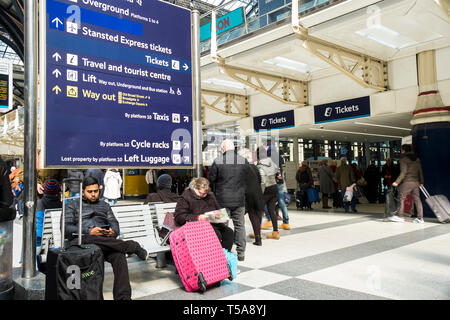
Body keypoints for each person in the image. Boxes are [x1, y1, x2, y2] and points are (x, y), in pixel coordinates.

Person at [64, 176, 149, 300]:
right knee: (90, 237)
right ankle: (132, 246)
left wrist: (112, 232)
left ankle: (123, 297)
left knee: (119, 256)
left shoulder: (104, 205)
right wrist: (88, 231)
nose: (93, 194)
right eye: (90, 192)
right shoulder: (72, 205)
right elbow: (66, 228)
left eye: (96, 191)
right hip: (81, 243)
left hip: (104, 244)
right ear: (83, 192)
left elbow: (114, 222)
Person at [208, 139, 248, 261]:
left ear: (224, 148)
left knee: (222, 226)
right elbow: (247, 178)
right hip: (239, 200)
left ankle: (224, 251)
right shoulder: (243, 161)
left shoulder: (218, 161)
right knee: (240, 225)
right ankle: (241, 253)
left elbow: (211, 179)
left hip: (222, 201)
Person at [174, 177, 234, 251]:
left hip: (212, 224)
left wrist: (219, 214)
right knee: (215, 234)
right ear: (195, 188)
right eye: (201, 193)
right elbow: (179, 216)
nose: (204, 196)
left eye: (206, 193)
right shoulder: (185, 197)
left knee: (229, 232)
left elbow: (218, 209)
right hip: (195, 226)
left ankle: (224, 256)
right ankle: (213, 258)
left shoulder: (210, 195)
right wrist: (198, 217)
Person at [389, 144, 424, 223]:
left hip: (408, 181)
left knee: (400, 197)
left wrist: (397, 182)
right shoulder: (417, 159)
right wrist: (421, 182)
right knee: (417, 199)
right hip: (416, 182)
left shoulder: (404, 159)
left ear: (403, 150)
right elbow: (420, 171)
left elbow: (403, 172)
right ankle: (420, 218)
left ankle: (399, 216)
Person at [239, 149, 264, 246]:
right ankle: (258, 236)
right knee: (256, 215)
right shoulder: (255, 167)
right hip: (257, 193)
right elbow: (260, 180)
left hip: (246, 194)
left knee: (245, 215)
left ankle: (241, 238)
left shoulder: (241, 168)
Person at [35, 179, 62, 270]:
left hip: (41, 240)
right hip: (58, 240)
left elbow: (38, 228)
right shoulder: (61, 205)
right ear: (58, 192)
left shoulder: (39, 204)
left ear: (44, 191)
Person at [264, 145, 290, 230]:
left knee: (265, 201)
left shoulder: (268, 156)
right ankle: (286, 222)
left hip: (271, 182)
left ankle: (269, 221)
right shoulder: (279, 157)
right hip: (280, 181)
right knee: (281, 201)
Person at [257, 146, 280, 240]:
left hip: (266, 189)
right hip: (274, 187)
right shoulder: (272, 162)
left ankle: (257, 232)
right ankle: (275, 232)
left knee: (259, 211)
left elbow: (262, 181)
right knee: (272, 210)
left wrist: (260, 193)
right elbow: (277, 172)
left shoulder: (259, 166)